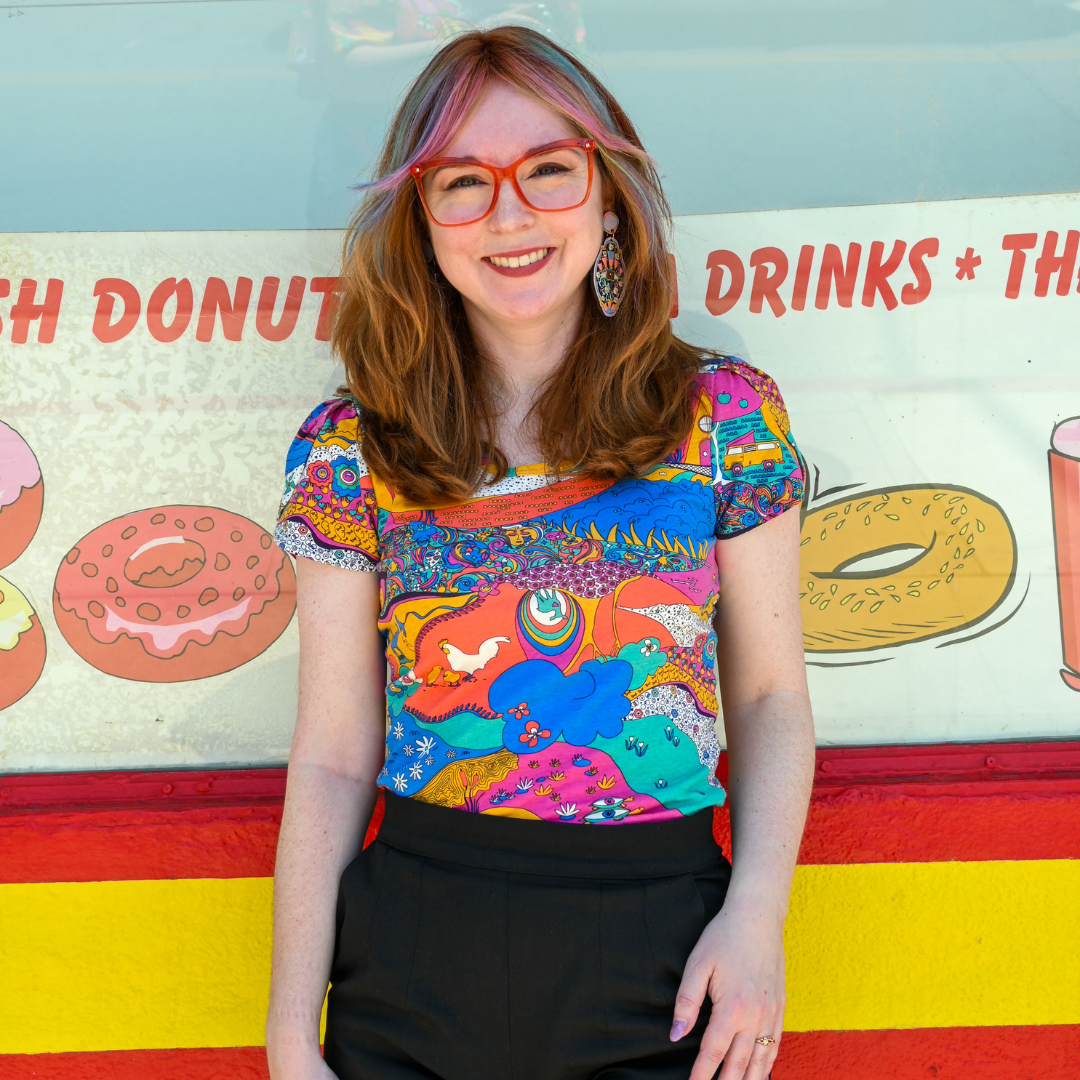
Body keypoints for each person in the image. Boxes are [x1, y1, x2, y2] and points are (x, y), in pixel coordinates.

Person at [266, 25, 814, 1080]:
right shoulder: (350, 450)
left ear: (609, 198)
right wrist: (292, 1032)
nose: (509, 216)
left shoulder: (725, 423)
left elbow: (768, 703)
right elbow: (334, 752)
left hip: (664, 961)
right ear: (420, 223)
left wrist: (758, 921)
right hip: (411, 956)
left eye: (549, 172)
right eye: (462, 182)